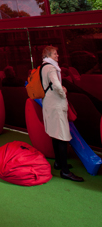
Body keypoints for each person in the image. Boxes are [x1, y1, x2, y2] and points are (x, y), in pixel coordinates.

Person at [41, 45, 84, 182]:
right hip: (56, 105)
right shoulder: (52, 68)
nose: (57, 55)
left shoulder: (43, 67)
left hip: (48, 103)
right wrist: (63, 91)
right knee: (63, 136)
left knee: (55, 135)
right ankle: (65, 171)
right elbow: (57, 85)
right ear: (48, 55)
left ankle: (58, 162)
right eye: (55, 53)